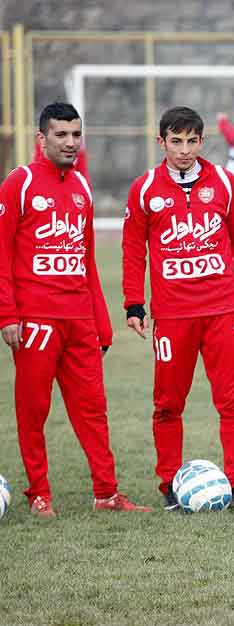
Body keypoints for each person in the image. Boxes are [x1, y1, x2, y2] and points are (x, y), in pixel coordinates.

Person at [0, 102, 151, 517]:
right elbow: (2, 253)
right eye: (61, 135)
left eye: (75, 135)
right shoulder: (20, 183)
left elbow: (85, 263)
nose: (70, 142)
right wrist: (8, 315)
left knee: (93, 408)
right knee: (34, 411)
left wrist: (101, 325)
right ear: (42, 139)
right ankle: (39, 494)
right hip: (36, 320)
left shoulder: (82, 187)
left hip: (80, 321)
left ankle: (106, 494)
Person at [122, 106, 234, 511]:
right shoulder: (145, 189)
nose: (184, 150)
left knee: (233, 402)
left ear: (202, 141)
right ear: (161, 142)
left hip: (222, 311)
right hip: (171, 316)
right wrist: (134, 302)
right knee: (168, 403)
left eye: (191, 141)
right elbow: (133, 248)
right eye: (176, 141)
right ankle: (169, 484)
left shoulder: (223, 181)